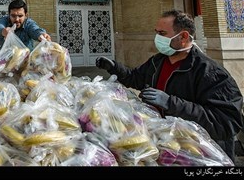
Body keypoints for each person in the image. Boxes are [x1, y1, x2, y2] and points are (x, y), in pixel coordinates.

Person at [96, 9, 243, 161]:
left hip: (197, 153)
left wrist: (170, 103)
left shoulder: (211, 73)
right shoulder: (158, 61)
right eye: (156, 32)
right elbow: (135, 78)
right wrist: (114, 67)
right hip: (165, 146)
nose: (157, 38)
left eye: (162, 33)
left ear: (184, 36)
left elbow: (226, 122)